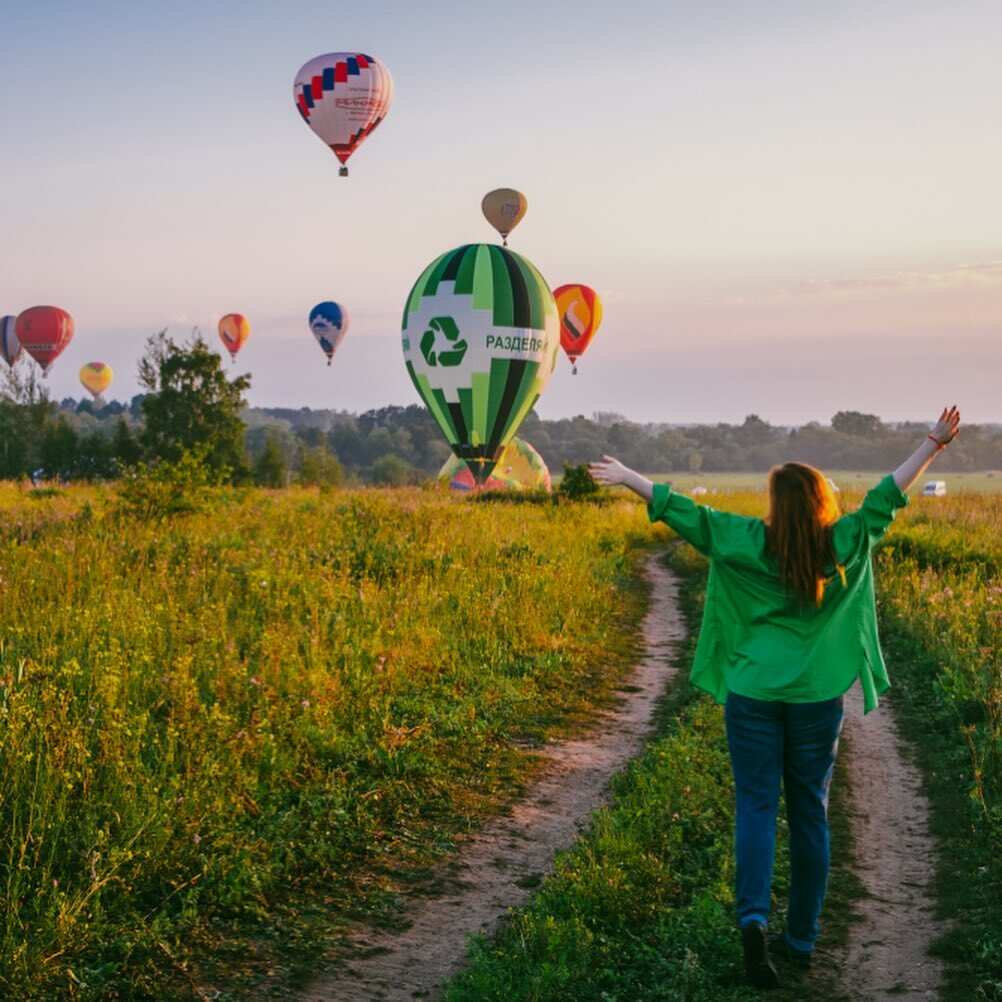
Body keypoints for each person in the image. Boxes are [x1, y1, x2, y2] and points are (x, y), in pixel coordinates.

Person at [589, 406, 961, 989]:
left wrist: (631, 475)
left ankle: (754, 923)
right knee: (810, 813)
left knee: (757, 808)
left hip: (753, 695)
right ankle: (803, 939)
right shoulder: (840, 541)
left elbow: (686, 512)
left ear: (774, 503)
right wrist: (932, 445)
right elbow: (886, 497)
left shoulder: (745, 540)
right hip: (815, 701)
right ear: (819, 503)